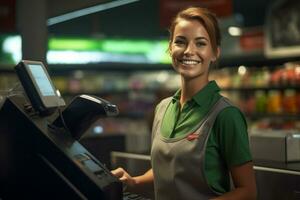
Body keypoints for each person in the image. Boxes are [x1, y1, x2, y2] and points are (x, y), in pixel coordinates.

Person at [111, 6, 257, 200]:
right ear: (170, 48)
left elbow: (248, 192)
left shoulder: (225, 114)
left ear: (215, 53)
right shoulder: (162, 109)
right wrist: (134, 181)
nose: (189, 51)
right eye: (180, 42)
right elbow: (169, 171)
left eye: (201, 43)